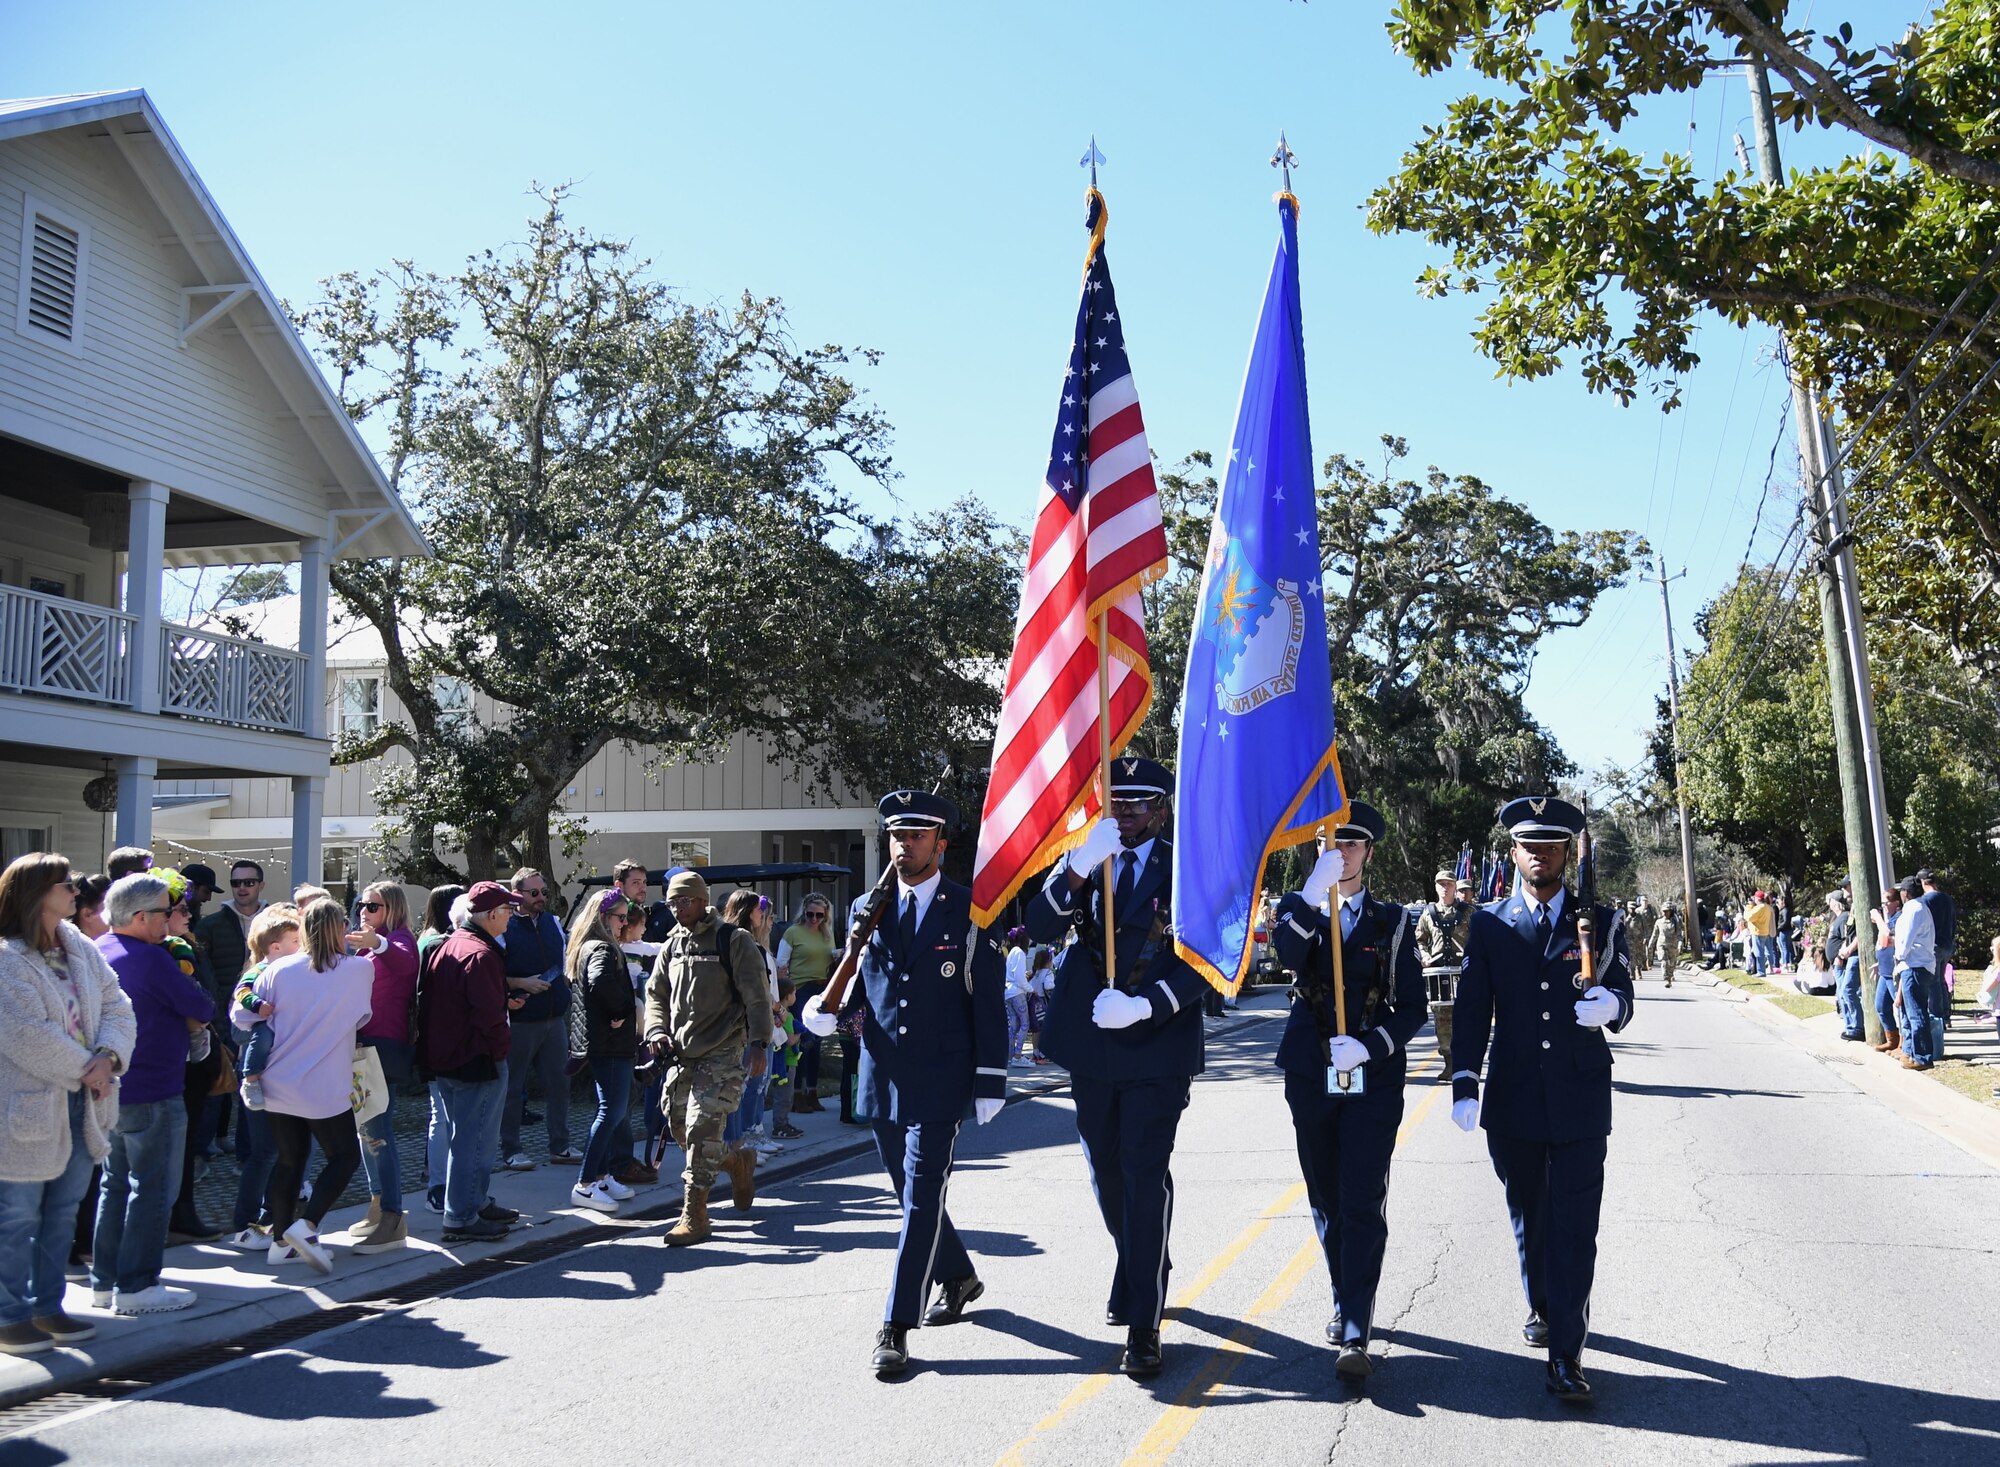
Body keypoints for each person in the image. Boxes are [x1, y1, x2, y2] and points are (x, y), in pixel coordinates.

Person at [802, 790, 1005, 1379]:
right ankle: (960, 1276)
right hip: (882, 1077)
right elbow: (864, 987)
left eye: (917, 835)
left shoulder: (970, 910)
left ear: (940, 843)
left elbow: (987, 1000)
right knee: (908, 1193)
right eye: (897, 835)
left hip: (943, 1078)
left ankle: (896, 1324)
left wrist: (991, 1078)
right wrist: (826, 1012)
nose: (905, 845)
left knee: (919, 1202)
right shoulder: (868, 906)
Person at [1022, 756, 1209, 1379]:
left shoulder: (1186, 865)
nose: (1125, 812)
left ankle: (1144, 1321)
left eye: (1138, 803)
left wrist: (1146, 1005)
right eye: (1118, 801)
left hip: (1156, 1041)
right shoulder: (1089, 853)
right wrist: (1075, 866)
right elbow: (1038, 923)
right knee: (1105, 1171)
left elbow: (1206, 956)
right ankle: (1139, 1261)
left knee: (1143, 1169)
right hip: (1093, 1039)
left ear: (1161, 809)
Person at [1451, 795, 1635, 1405]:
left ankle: (1567, 1355)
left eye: (1551, 844)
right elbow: (1475, 1007)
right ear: (1514, 851)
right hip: (1515, 1095)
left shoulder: (1600, 923)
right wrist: (1463, 1079)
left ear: (1567, 853)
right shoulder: (1490, 922)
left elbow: (1624, 991)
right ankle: (1542, 1304)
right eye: (1529, 844)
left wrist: (1612, 1007)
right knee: (1530, 1213)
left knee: (1576, 1227)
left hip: (1581, 1095)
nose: (1539, 854)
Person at [1270, 801, 1427, 1382]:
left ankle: (1355, 1323)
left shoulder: (1393, 922)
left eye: (1353, 844)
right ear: (1318, 850)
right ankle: (1343, 1291)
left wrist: (1373, 1044)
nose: (1343, 853)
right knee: (1326, 1196)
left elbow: (1412, 1007)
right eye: (1332, 844)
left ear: (1368, 852)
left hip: (1371, 1075)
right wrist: (1311, 896)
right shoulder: (1299, 907)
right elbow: (1284, 956)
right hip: (1310, 1070)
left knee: (1362, 1195)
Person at [0, 854, 135, 1354]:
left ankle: (47, 1306)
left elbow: (118, 1004)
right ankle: (8, 1314)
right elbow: (24, 1034)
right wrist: (90, 1067)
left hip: (84, 1104)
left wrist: (109, 1055)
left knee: (61, 1214)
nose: (76, 892)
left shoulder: (77, 943)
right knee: (17, 1217)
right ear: (36, 893)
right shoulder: (7, 958)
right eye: (66, 885)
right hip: (29, 1108)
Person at [91, 873, 214, 1314]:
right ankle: (138, 1285)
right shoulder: (152, 958)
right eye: (166, 911)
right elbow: (200, 1006)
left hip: (111, 1092)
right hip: (154, 1090)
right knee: (153, 1189)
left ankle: (106, 1281)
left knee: (116, 1186)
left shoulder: (98, 951)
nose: (173, 918)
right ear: (141, 916)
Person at [232, 899, 373, 1272]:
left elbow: (244, 1016)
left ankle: (281, 1241)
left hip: (279, 1079)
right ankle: (305, 1226)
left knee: (289, 1160)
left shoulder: (278, 969)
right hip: (324, 1083)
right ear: (339, 928)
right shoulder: (359, 969)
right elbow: (361, 1017)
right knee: (343, 1157)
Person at [641, 870, 771, 1246]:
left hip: (723, 1049)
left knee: (701, 1131)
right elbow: (656, 994)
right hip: (682, 1053)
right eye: (672, 902)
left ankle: (695, 1215)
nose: (678, 909)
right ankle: (735, 1161)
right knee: (679, 1126)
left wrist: (760, 1043)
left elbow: (757, 994)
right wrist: (656, 1031)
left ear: (702, 901)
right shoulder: (672, 945)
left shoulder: (733, 940)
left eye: (684, 901)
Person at [417, 883, 521, 1243]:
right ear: (491, 915)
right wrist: (501, 1048)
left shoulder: (451, 944)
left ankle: (473, 1203)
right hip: (475, 1061)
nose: (512, 916)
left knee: (468, 1139)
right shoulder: (478, 954)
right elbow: (489, 1016)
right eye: (508, 910)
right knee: (473, 1142)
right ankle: (461, 1216)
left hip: (451, 1060)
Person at [223, 904, 301, 1249]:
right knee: (265, 1152)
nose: (302, 945)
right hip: (262, 1076)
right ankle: (245, 1224)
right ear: (275, 946)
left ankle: (270, 1219)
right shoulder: (258, 972)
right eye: (295, 940)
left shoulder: (289, 972)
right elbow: (240, 1013)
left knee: (280, 1153)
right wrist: (260, 1011)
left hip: (284, 1077)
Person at [345, 883, 418, 1253]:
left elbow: (406, 962)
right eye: (361, 904)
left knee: (377, 1132)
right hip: (362, 1048)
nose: (364, 910)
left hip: (383, 1049)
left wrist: (378, 944)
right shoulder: (369, 945)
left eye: (372, 905)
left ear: (390, 908)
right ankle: (378, 1206)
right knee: (366, 1131)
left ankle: (393, 1216)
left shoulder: (399, 940)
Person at [565, 888, 638, 1214]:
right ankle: (585, 1184)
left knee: (613, 1111)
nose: (624, 924)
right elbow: (600, 983)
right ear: (603, 918)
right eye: (621, 917)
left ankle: (602, 1175)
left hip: (603, 1044)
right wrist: (621, 1011)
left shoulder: (591, 946)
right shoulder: (602, 949)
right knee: (611, 1111)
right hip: (609, 1046)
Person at [499, 868, 572, 1171]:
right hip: (521, 1021)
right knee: (513, 1088)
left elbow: (566, 961)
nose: (541, 897)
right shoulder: (504, 928)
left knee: (561, 1084)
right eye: (534, 893)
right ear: (518, 895)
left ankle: (561, 1145)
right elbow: (491, 974)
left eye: (544, 892)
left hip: (555, 1018)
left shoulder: (554, 923)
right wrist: (519, 983)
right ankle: (511, 1149)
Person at [416, 884, 465, 1215]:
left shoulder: (428, 939)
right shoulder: (437, 943)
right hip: (440, 1042)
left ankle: (438, 1178)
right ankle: (438, 1186)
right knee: (443, 1118)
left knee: (444, 1117)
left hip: (433, 1040)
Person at [720, 889, 781, 1158]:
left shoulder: (743, 942)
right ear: (747, 912)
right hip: (742, 1026)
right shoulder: (740, 942)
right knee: (741, 1086)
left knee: (756, 1083)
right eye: (758, 910)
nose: (762, 915)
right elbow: (754, 989)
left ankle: (746, 1138)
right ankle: (737, 1143)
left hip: (751, 1023)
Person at [612, 902, 663, 1184]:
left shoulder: (635, 946)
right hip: (627, 1014)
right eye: (641, 924)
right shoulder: (619, 950)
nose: (645, 929)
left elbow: (656, 948)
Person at [777, 894, 835, 1112]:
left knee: (817, 1043)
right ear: (804, 912)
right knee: (803, 1043)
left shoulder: (826, 934)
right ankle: (797, 1094)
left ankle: (812, 1091)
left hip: (821, 990)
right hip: (801, 990)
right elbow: (782, 963)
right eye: (810, 914)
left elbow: (830, 957)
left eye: (819, 915)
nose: (814, 919)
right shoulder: (793, 932)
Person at [1415, 867, 1473, 1057]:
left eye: (1449, 884)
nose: (1445, 888)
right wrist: (1424, 955)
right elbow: (1419, 939)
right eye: (1441, 884)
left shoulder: (1468, 912)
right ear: (1436, 887)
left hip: (1463, 971)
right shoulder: (1428, 913)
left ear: (1455, 887)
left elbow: (1479, 938)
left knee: (1466, 1015)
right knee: (1442, 1018)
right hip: (1439, 974)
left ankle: (1464, 1058)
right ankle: (1449, 1061)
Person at [1888, 876, 1938, 1071]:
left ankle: (1923, 1057)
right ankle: (1909, 1051)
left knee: (1916, 1013)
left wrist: (1899, 956)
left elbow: (1905, 941)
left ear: (1905, 893)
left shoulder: (1913, 909)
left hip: (1914, 966)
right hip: (1916, 966)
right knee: (1908, 1014)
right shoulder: (1920, 908)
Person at [195, 860, 267, 992]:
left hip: (267, 1003)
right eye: (236, 883)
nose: (242, 888)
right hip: (225, 1006)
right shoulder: (209, 926)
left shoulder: (276, 923)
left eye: (249, 883)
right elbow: (202, 971)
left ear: (261, 885)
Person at [1917, 870, 1957, 1029]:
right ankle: (1946, 1016)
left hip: (1933, 945)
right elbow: (1954, 922)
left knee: (1933, 983)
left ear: (1922, 883)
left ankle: (1938, 1018)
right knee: (1941, 981)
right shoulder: (1947, 899)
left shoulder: (1926, 901)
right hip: (1947, 944)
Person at [769, 977, 804, 1141]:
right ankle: (780, 1126)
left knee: (787, 1096)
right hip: (786, 1063)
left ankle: (784, 1122)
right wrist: (801, 1033)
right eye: (794, 993)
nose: (795, 996)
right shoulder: (786, 1016)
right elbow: (790, 1040)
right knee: (784, 1096)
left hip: (789, 1062)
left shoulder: (782, 1013)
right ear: (788, 996)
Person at [1002, 928, 1032, 1065]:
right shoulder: (1020, 953)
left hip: (1007, 992)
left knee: (1013, 1025)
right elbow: (1020, 977)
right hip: (1017, 993)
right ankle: (1018, 1056)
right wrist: (1031, 989)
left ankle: (1010, 1055)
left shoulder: (1012, 952)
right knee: (1025, 1023)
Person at [1745, 891, 1778, 977]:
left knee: (1758, 953)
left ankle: (1761, 971)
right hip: (1765, 932)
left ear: (1757, 898)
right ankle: (1768, 968)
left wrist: (1749, 906)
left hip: (1757, 932)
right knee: (1766, 951)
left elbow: (1748, 917)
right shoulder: (1767, 907)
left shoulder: (1759, 908)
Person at [1654, 903, 1682, 989]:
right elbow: (1654, 934)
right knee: (1664, 961)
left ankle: (1670, 975)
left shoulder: (1676, 921)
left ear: (1670, 912)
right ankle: (1666, 978)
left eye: (1667, 911)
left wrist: (1680, 944)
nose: (1665, 913)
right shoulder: (1659, 921)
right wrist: (1650, 945)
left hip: (1672, 945)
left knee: (1672, 963)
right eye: (1664, 911)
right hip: (1662, 944)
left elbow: (1679, 934)